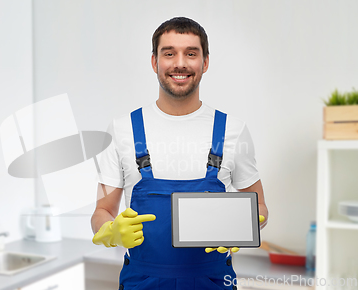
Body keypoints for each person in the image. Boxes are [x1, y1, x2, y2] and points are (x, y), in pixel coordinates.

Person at [90, 17, 269, 290]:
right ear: (154, 62)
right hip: (142, 282)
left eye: (191, 53)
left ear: (205, 62)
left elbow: (260, 206)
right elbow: (102, 210)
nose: (180, 63)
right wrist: (110, 232)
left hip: (213, 282)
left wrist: (249, 226)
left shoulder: (233, 130)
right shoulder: (121, 130)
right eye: (169, 53)